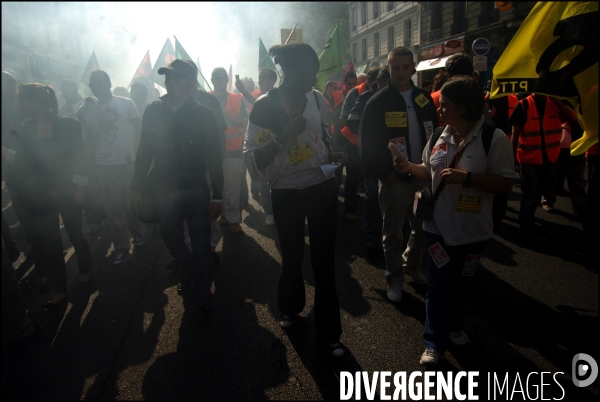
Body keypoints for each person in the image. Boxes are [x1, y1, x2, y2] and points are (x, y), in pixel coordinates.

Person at [393, 76, 514, 366]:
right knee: (438, 286)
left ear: (464, 107)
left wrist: (468, 178)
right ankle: (433, 342)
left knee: (461, 284)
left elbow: (505, 184)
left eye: (444, 105)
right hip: (437, 228)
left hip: (474, 232)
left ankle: (455, 326)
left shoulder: (493, 138)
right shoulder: (438, 136)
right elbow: (427, 171)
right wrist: (409, 167)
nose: (439, 109)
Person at [243, 42, 346, 357]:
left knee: (324, 263)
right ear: (288, 72)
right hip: (285, 192)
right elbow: (253, 161)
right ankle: (290, 308)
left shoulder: (315, 98)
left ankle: (330, 334)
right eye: (308, 73)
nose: (312, 80)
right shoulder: (263, 106)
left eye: (315, 74)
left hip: (320, 187)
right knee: (291, 256)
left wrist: (332, 152)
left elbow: (323, 136)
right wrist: (282, 136)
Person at [132, 59, 224, 325]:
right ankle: (188, 269)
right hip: (164, 189)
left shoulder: (202, 113)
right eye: (167, 77)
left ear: (190, 83)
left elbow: (214, 158)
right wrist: (137, 186)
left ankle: (203, 295)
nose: (168, 82)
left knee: (201, 244)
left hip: (196, 188)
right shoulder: (153, 111)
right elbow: (144, 151)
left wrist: (217, 195)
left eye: (175, 78)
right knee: (171, 238)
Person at [360, 46, 439, 303]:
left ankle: (411, 266)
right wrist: (386, 175)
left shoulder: (424, 98)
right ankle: (394, 277)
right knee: (393, 233)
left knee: (423, 228)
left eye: (406, 67)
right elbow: (368, 142)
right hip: (394, 180)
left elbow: (436, 134)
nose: (402, 72)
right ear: (389, 68)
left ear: (413, 68)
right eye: (396, 67)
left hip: (422, 175)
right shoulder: (378, 101)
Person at [3, 83, 93, 307]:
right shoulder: (26, 128)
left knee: (75, 234)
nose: (19, 104)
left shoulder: (69, 124)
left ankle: (86, 273)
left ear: (35, 102)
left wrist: (80, 187)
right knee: (51, 242)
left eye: (23, 100)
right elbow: (25, 162)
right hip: (43, 194)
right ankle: (61, 290)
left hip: (69, 189)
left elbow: (81, 156)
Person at [76, 70, 145, 266]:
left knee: (131, 204)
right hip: (103, 165)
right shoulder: (85, 109)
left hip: (126, 162)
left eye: (100, 82)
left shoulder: (126, 103)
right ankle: (122, 248)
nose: (96, 86)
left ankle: (139, 234)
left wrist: (142, 156)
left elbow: (140, 130)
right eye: (93, 83)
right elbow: (85, 140)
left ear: (108, 82)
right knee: (113, 209)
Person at [510, 93, 575, 241]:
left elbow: (571, 118)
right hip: (529, 159)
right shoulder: (523, 105)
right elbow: (515, 135)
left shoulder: (554, 103)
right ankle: (526, 228)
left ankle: (526, 219)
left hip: (550, 158)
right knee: (530, 195)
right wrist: (512, 157)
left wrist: (556, 100)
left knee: (538, 193)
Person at [236, 68, 278, 225]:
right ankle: (269, 213)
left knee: (278, 177)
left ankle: (281, 210)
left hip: (275, 141)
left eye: (263, 78)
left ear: (272, 81)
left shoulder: (278, 95)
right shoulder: (256, 94)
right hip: (258, 142)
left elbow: (261, 106)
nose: (260, 81)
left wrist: (243, 92)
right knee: (262, 178)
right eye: (259, 78)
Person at [355, 68, 390, 254]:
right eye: (387, 82)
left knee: (392, 197)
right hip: (371, 157)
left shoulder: (402, 98)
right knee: (373, 196)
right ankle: (371, 237)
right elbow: (352, 122)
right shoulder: (366, 98)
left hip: (394, 159)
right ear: (379, 82)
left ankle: (391, 239)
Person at [210, 67, 248, 234]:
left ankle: (233, 219)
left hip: (233, 150)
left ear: (227, 80)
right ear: (211, 80)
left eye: (222, 77)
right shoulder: (205, 99)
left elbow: (245, 123)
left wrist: (231, 118)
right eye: (216, 77)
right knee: (217, 187)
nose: (219, 80)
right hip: (211, 152)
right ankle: (223, 213)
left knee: (232, 187)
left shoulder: (237, 99)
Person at [339, 67, 380, 221]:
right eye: (374, 81)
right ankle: (350, 209)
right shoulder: (354, 94)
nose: (377, 85)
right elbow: (344, 119)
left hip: (374, 144)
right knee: (352, 176)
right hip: (354, 142)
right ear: (368, 80)